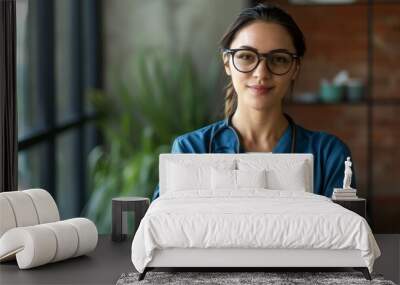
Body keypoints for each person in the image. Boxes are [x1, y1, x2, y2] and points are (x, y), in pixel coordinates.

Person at [152, 3, 356, 200]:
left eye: (278, 59)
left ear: (295, 68)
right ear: (227, 63)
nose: (261, 73)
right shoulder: (192, 150)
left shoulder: (328, 155)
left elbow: (345, 233)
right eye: (246, 56)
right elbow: (166, 229)